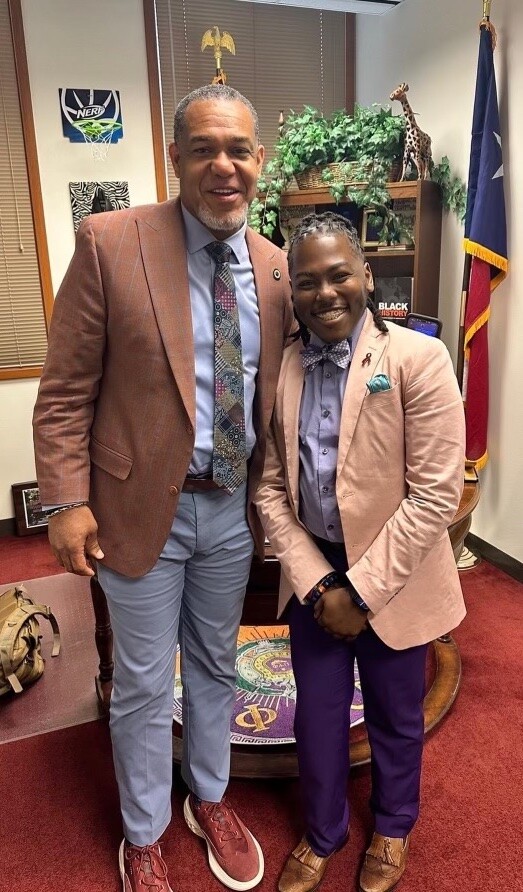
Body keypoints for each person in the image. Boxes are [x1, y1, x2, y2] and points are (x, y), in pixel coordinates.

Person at [33, 84, 294, 892]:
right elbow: (66, 390)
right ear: (175, 156)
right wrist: (66, 501)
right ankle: (144, 831)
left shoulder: (277, 266)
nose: (225, 165)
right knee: (145, 679)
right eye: (205, 148)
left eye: (240, 150)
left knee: (217, 662)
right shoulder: (112, 242)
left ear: (259, 162)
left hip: (231, 507)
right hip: (135, 506)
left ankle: (208, 797)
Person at [254, 211, 466, 892]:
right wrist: (320, 586)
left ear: (365, 276)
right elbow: (267, 491)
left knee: (393, 715)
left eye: (339, 274)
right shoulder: (281, 367)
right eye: (308, 281)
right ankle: (322, 832)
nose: (325, 292)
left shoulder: (416, 358)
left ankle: (393, 827)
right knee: (314, 715)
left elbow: (434, 494)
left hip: (394, 576)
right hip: (314, 573)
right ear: (294, 293)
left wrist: (362, 591)